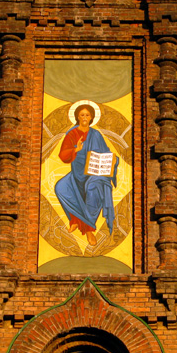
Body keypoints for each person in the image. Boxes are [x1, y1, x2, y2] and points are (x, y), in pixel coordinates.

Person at [55, 103, 119, 246]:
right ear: (77, 117)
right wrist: (75, 150)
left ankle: (88, 229)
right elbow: (63, 155)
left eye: (87, 115)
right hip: (76, 174)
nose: (84, 117)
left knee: (93, 189)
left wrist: (114, 160)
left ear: (91, 117)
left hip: (93, 173)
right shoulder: (72, 134)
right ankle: (75, 219)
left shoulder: (96, 135)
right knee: (60, 187)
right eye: (82, 115)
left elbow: (106, 152)